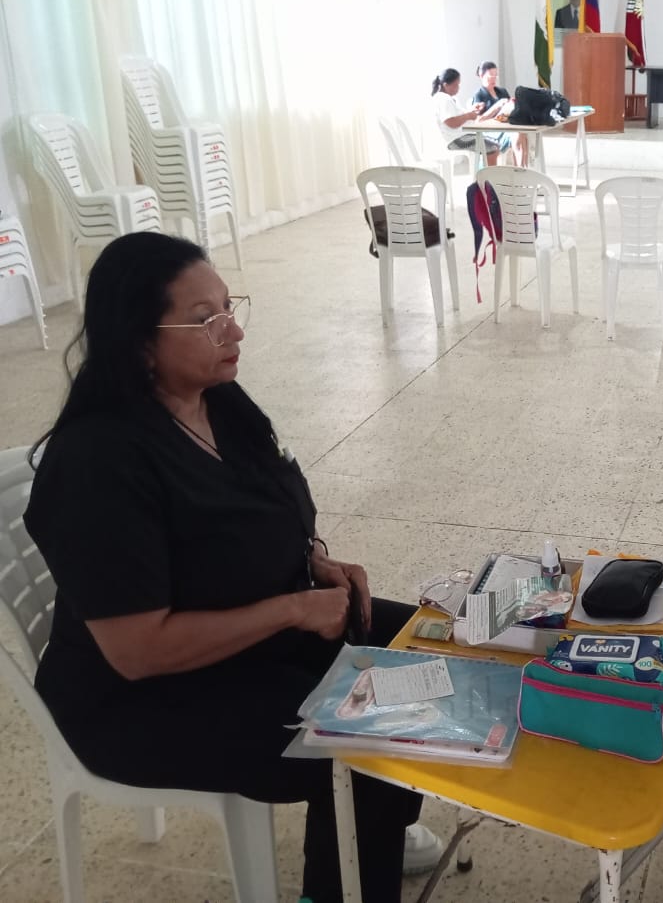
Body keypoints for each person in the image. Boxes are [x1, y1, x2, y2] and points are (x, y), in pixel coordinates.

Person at [23, 233, 443, 903]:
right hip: (140, 700)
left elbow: (259, 510)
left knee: (421, 647)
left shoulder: (217, 402)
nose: (233, 330)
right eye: (204, 319)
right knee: (365, 733)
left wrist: (315, 562)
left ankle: (378, 821)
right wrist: (294, 609)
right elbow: (138, 650)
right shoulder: (98, 463)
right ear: (139, 341)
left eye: (228, 306)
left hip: (249, 637)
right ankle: (354, 848)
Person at [431, 67, 499, 167]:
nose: (458, 88)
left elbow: (457, 116)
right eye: (456, 85)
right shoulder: (444, 99)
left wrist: (472, 110)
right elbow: (451, 122)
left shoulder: (449, 99)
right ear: (445, 85)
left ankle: (484, 173)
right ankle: (488, 175)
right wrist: (468, 116)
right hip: (455, 140)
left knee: (493, 143)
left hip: (460, 136)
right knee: (493, 147)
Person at [471, 61, 528, 167]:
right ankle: (520, 170)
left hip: (506, 126)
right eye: (490, 76)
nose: (494, 79)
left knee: (521, 133)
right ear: (481, 75)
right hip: (490, 132)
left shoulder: (502, 91)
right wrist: (497, 106)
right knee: (516, 134)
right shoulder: (479, 95)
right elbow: (478, 120)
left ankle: (521, 169)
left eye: (496, 75)